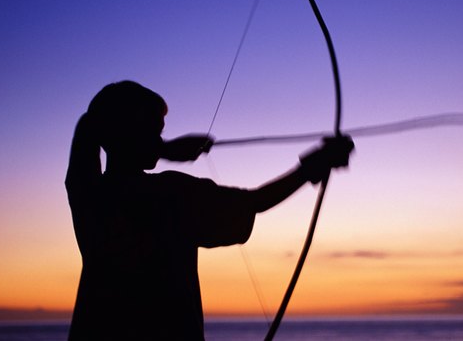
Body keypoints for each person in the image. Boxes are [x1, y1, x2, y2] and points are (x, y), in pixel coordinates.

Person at [65, 80, 353, 340]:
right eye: (152, 129)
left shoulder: (89, 192)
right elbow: (257, 201)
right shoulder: (171, 194)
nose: (160, 136)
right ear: (127, 133)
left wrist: (158, 148)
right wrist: (315, 165)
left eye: (160, 131)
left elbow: (89, 124)